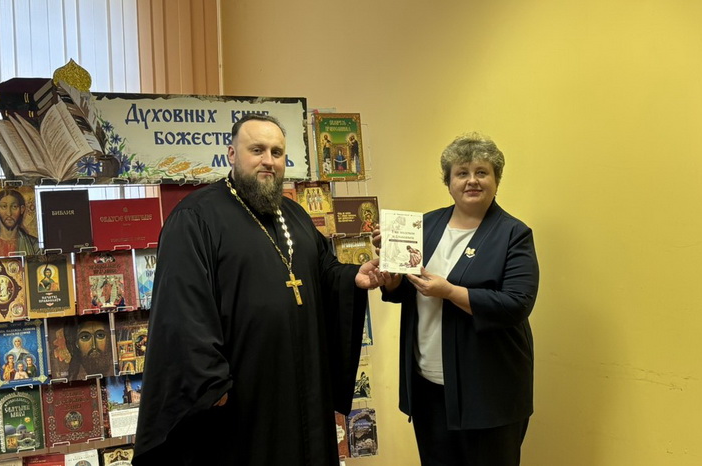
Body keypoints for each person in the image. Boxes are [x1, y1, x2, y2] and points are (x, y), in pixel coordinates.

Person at [133, 114, 387, 466]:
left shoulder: (294, 215)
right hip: (243, 395)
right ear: (231, 154)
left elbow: (323, 271)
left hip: (303, 385)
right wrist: (211, 385)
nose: (269, 160)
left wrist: (353, 277)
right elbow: (181, 310)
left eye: (277, 152)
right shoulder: (196, 217)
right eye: (257, 150)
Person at [375, 133, 539, 466]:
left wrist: (450, 292)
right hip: (428, 385)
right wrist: (392, 281)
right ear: (448, 183)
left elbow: (517, 304)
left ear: (496, 180)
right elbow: (409, 290)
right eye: (462, 173)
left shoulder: (513, 234)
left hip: (488, 392)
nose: (472, 180)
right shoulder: (425, 225)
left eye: (482, 172)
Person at [0, 188, 40, 256]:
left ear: (22, 209)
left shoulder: (34, 245)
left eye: (14, 207)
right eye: (4, 206)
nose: (9, 213)